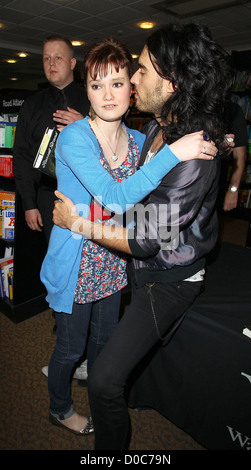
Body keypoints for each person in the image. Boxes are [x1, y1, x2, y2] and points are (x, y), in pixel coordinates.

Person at [52, 23, 232, 449]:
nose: (130, 82)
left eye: (138, 72)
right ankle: (61, 405)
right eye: (101, 84)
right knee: (75, 347)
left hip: (153, 269)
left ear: (171, 81)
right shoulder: (155, 129)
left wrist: (76, 221)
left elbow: (145, 233)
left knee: (104, 370)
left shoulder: (176, 147)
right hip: (111, 260)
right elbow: (125, 196)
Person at [13, 34, 90, 243]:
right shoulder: (31, 106)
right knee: (56, 260)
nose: (51, 64)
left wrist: (85, 126)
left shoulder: (92, 100)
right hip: (48, 196)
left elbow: (115, 145)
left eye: (58, 58)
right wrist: (29, 204)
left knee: (91, 257)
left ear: (72, 63)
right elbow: (21, 157)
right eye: (46, 58)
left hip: (90, 194)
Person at [220, 101, 247, 211]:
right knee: (168, 225)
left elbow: (240, 153)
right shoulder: (184, 103)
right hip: (173, 184)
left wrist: (233, 189)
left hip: (211, 189)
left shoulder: (232, 110)